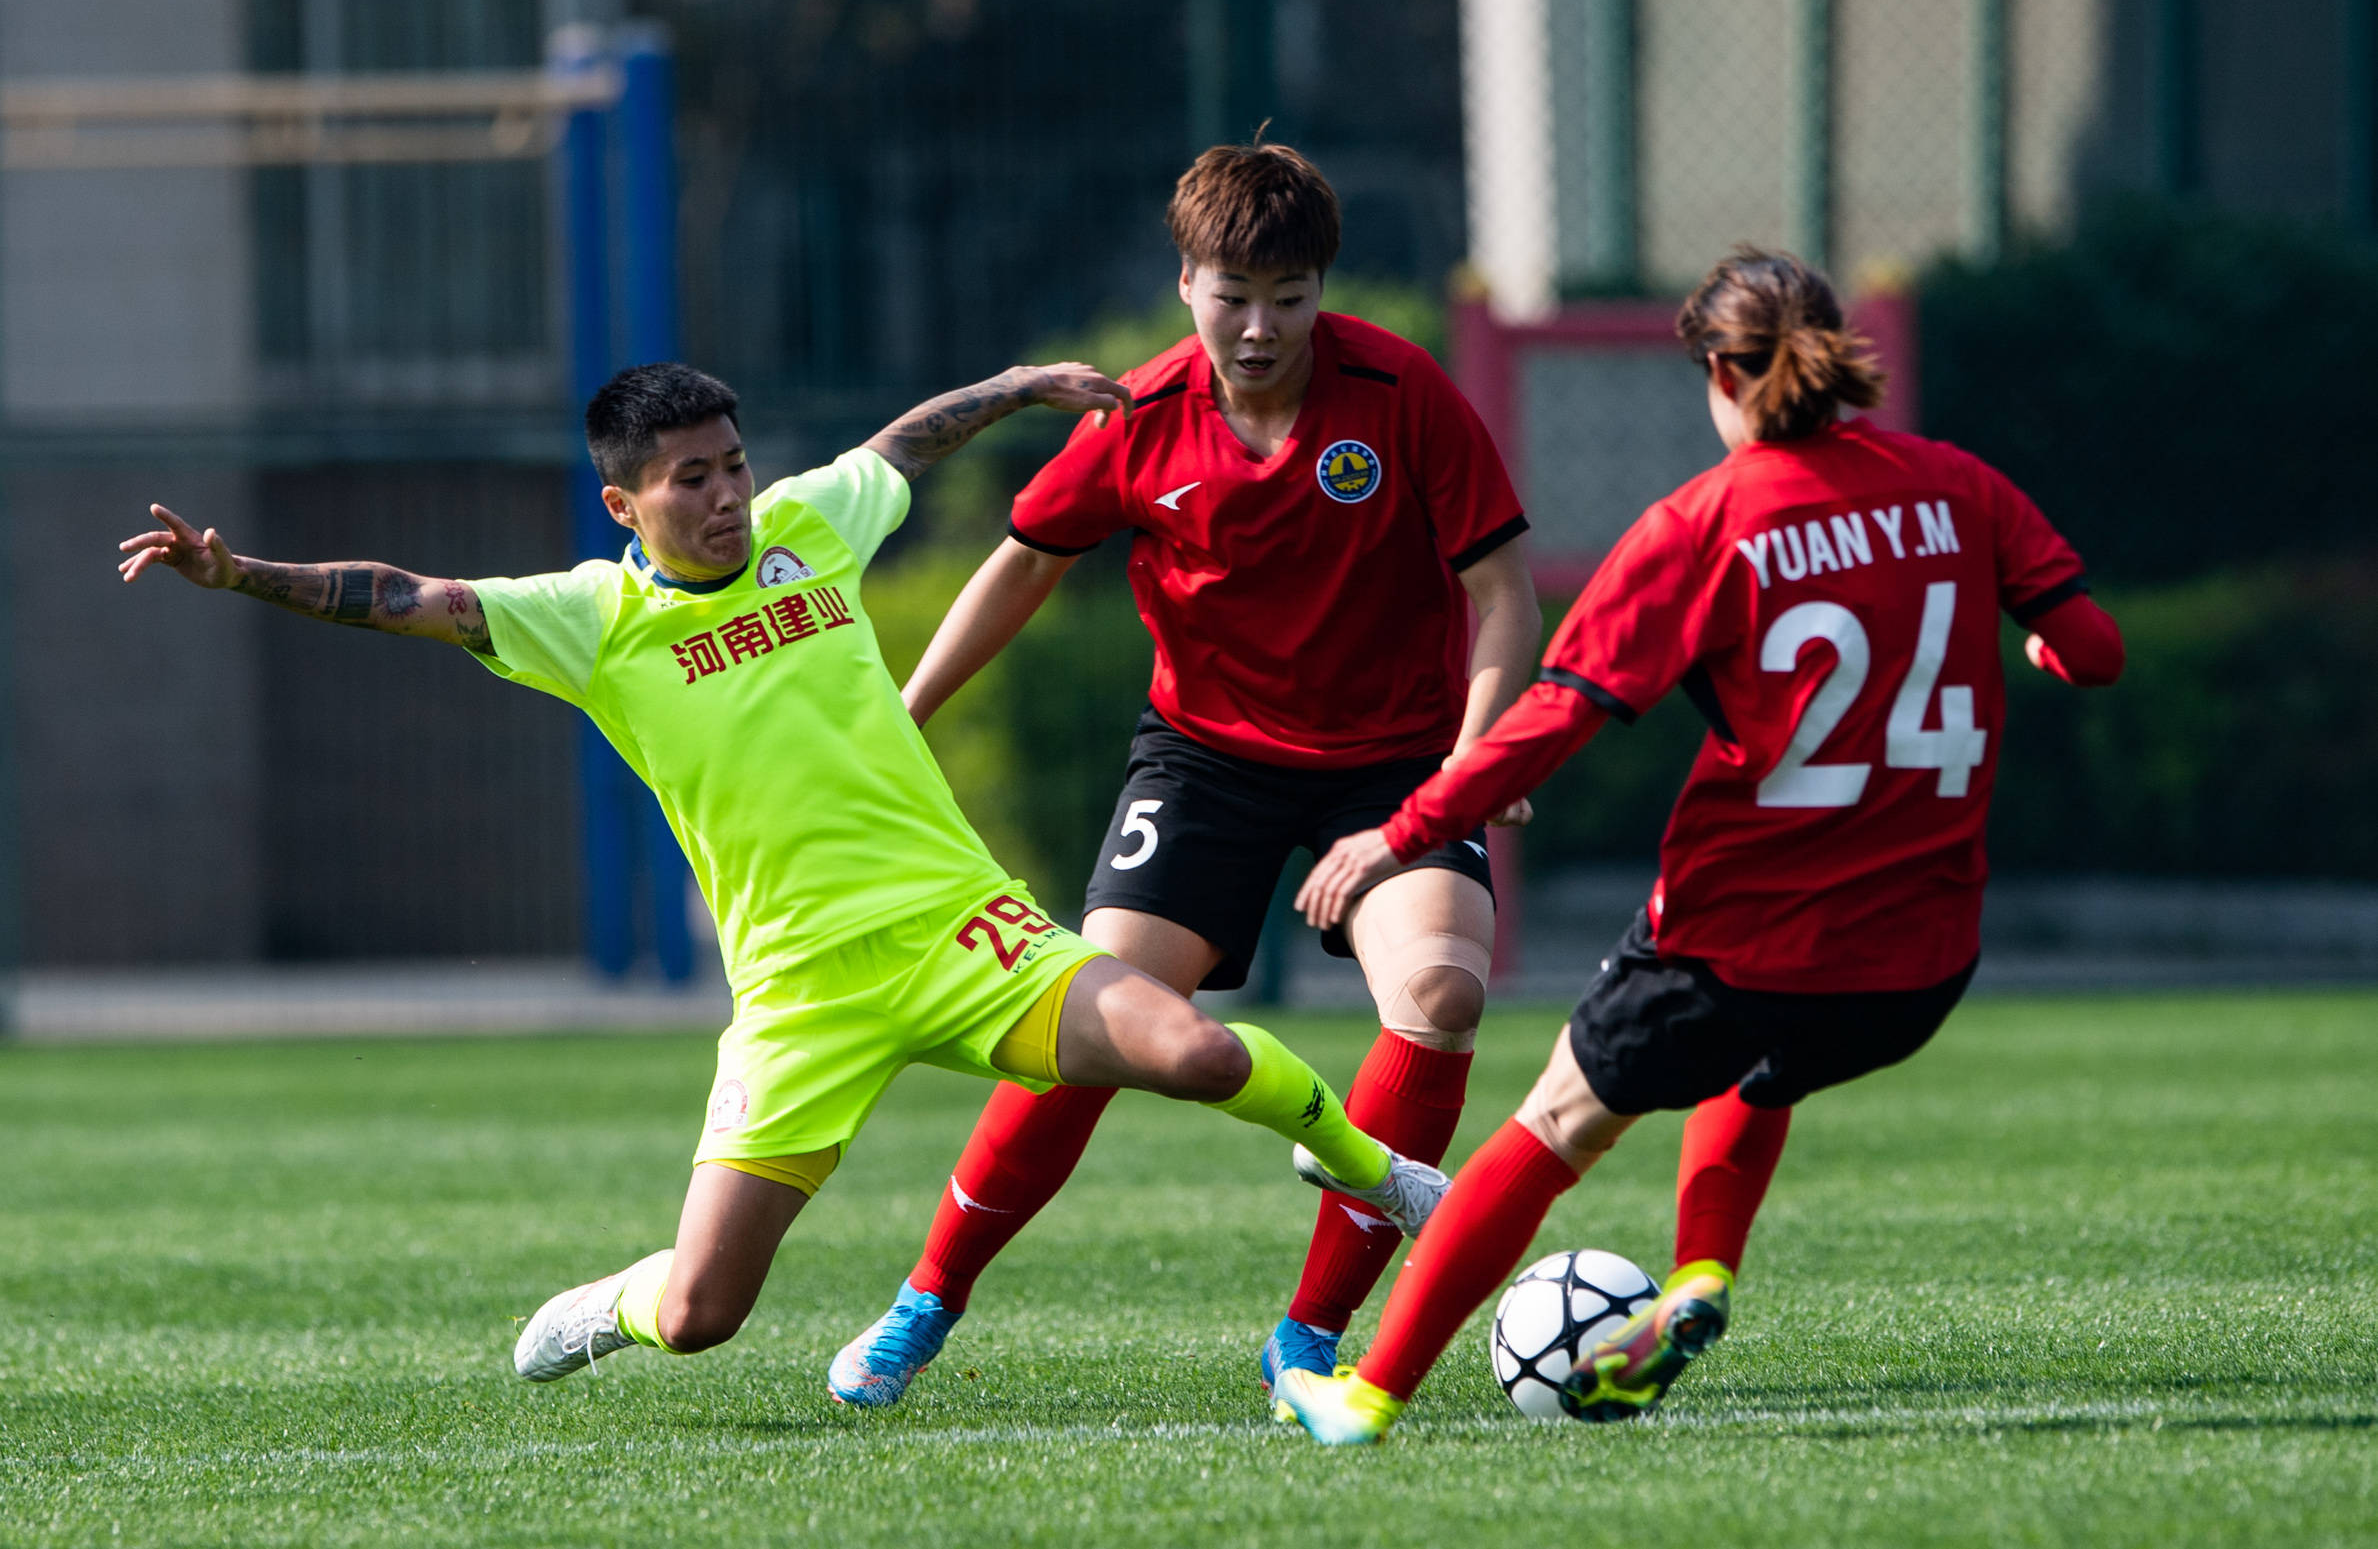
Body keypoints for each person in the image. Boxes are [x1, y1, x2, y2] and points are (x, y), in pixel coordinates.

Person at [116, 359, 1450, 1390]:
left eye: (734, 465)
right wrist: (238, 574)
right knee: (702, 1315)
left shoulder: (811, 525)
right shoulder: (591, 621)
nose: (726, 496)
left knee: (1199, 1052)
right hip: (800, 994)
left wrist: (1016, 389)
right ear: (623, 503)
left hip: (962, 929)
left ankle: (1376, 1170)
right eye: (689, 479)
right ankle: (614, 1300)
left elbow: (902, 445)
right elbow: (405, 593)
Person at [1271, 246, 2127, 1444]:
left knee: (1553, 1123)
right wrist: (2042, 650)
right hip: (1918, 965)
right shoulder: (1958, 486)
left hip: (1734, 939)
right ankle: (1698, 1276)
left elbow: (1558, 713)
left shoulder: (1703, 523)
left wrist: (1399, 832)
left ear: (1720, 376)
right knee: (1760, 1063)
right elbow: (2094, 649)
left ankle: (1364, 1394)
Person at [827, 141, 1541, 1407]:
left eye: (1288, 298)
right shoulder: (1140, 415)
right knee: (1091, 1015)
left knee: (1438, 994)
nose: (1258, 328)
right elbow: (1023, 559)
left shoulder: (1402, 392)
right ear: (1184, 283)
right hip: (1204, 760)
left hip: (1392, 761)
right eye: (1232, 296)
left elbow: (1502, 592)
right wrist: (905, 710)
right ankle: (926, 1297)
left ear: (1321, 290)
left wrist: (1480, 755)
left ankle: (1309, 1335)